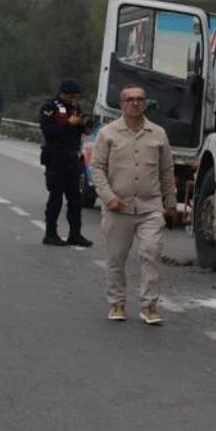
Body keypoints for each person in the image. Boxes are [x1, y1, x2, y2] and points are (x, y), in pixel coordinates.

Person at [90, 85, 178, 325]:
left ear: (146, 104)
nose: (135, 103)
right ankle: (117, 302)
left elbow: (166, 170)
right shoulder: (108, 133)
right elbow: (97, 167)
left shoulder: (158, 133)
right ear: (122, 104)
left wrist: (171, 202)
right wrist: (108, 197)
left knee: (151, 253)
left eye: (140, 99)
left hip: (150, 207)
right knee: (116, 258)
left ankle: (149, 305)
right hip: (118, 208)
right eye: (130, 99)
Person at [38, 79, 92, 247]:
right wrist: (67, 124)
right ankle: (50, 233)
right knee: (56, 197)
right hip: (55, 157)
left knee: (75, 198)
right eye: (69, 96)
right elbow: (49, 131)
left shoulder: (75, 108)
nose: (72, 99)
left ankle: (75, 234)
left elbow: (83, 131)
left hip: (72, 157)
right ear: (62, 93)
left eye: (75, 97)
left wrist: (82, 124)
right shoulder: (50, 107)